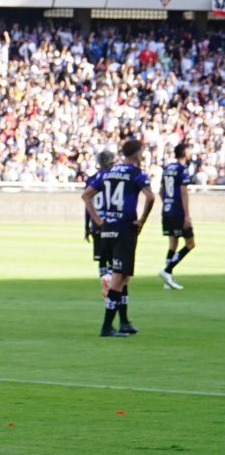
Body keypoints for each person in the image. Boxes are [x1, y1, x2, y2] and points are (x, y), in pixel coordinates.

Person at [81, 139, 155, 337]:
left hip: (107, 230)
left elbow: (86, 195)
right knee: (118, 280)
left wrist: (97, 220)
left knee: (123, 277)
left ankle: (123, 322)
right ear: (137, 153)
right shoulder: (136, 174)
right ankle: (107, 327)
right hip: (124, 229)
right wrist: (142, 220)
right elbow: (151, 197)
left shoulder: (108, 172)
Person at [158, 143, 195, 290]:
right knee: (190, 244)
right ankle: (167, 271)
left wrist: (168, 203)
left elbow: (161, 190)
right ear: (184, 152)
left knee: (173, 245)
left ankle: (168, 281)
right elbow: (183, 192)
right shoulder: (182, 169)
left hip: (167, 209)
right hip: (178, 212)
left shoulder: (168, 168)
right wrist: (187, 215)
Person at [84, 149, 115, 297]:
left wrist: (87, 226)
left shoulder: (91, 180)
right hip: (110, 221)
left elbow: (87, 203)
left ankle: (104, 284)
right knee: (113, 257)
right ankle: (110, 284)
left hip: (96, 224)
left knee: (101, 258)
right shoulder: (115, 178)